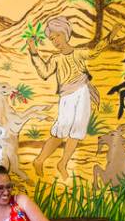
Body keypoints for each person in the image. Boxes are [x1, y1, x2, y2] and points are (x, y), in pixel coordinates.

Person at [26, 16, 104, 180]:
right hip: (67, 96)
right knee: (61, 129)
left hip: (83, 92)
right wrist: (34, 52)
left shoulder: (78, 53)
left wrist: (111, 36)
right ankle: (39, 160)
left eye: (57, 36)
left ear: (65, 33)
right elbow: (44, 72)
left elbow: (96, 51)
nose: (55, 41)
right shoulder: (56, 58)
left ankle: (63, 162)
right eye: (52, 39)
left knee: (78, 129)